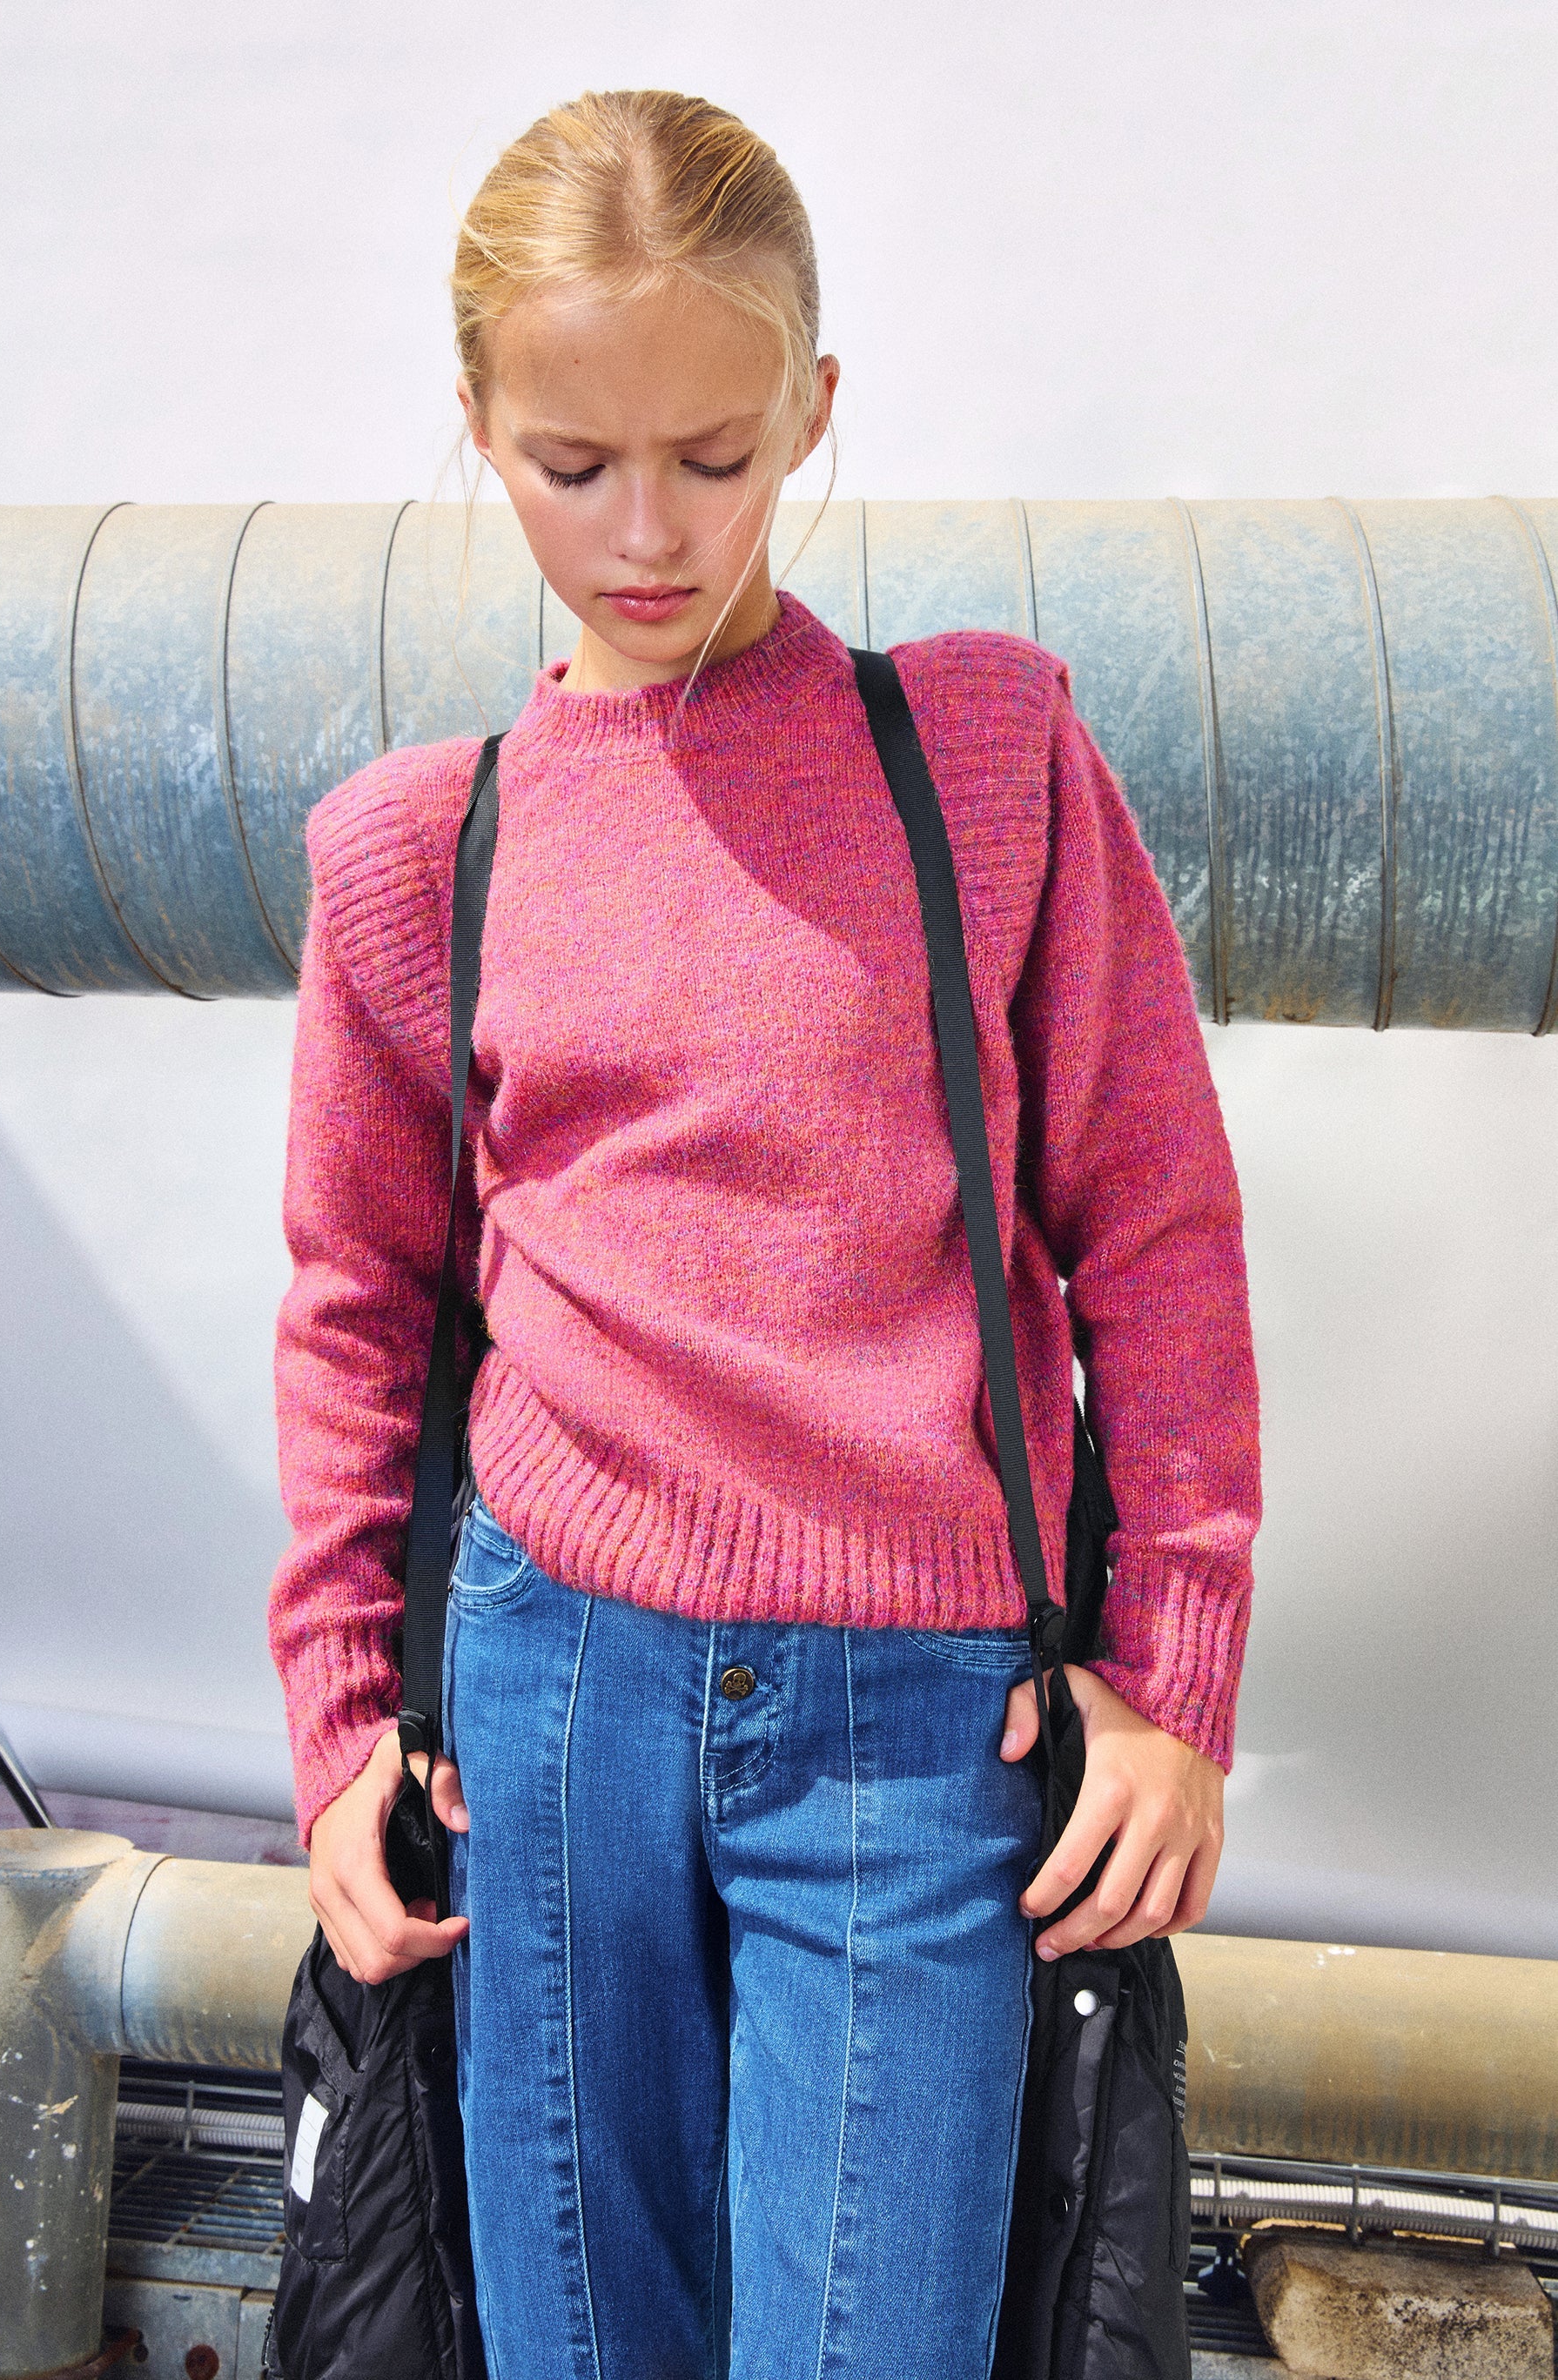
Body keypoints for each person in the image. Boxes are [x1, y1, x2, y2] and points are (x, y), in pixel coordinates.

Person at [269, 87, 1260, 2380]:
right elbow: (354, 1315)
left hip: (917, 1726)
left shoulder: (986, 763)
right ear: (476, 428)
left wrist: (1170, 1672)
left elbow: (1156, 1230)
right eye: (570, 464)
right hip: (544, 1702)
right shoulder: (416, 857)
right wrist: (336, 1721)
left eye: (714, 458)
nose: (645, 533)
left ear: (813, 410)